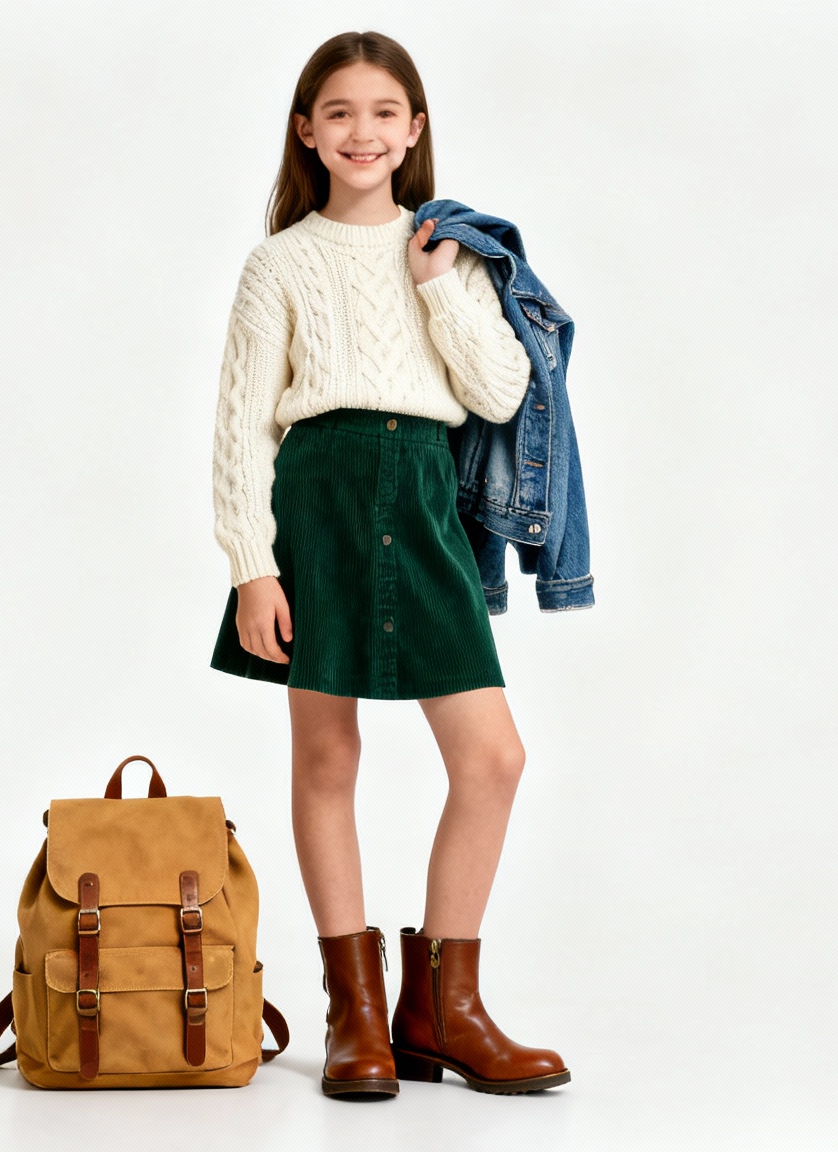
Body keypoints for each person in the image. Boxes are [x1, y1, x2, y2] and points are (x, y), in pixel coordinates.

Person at [206, 31, 570, 1099]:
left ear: (412, 129)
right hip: (314, 496)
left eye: (382, 112)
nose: (361, 131)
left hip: (418, 496)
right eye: (339, 112)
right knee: (326, 758)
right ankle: (355, 1016)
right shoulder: (278, 262)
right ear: (305, 131)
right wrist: (249, 567)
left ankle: (441, 1009)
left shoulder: (445, 250)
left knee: (489, 758)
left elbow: (501, 393)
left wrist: (438, 286)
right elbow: (237, 431)